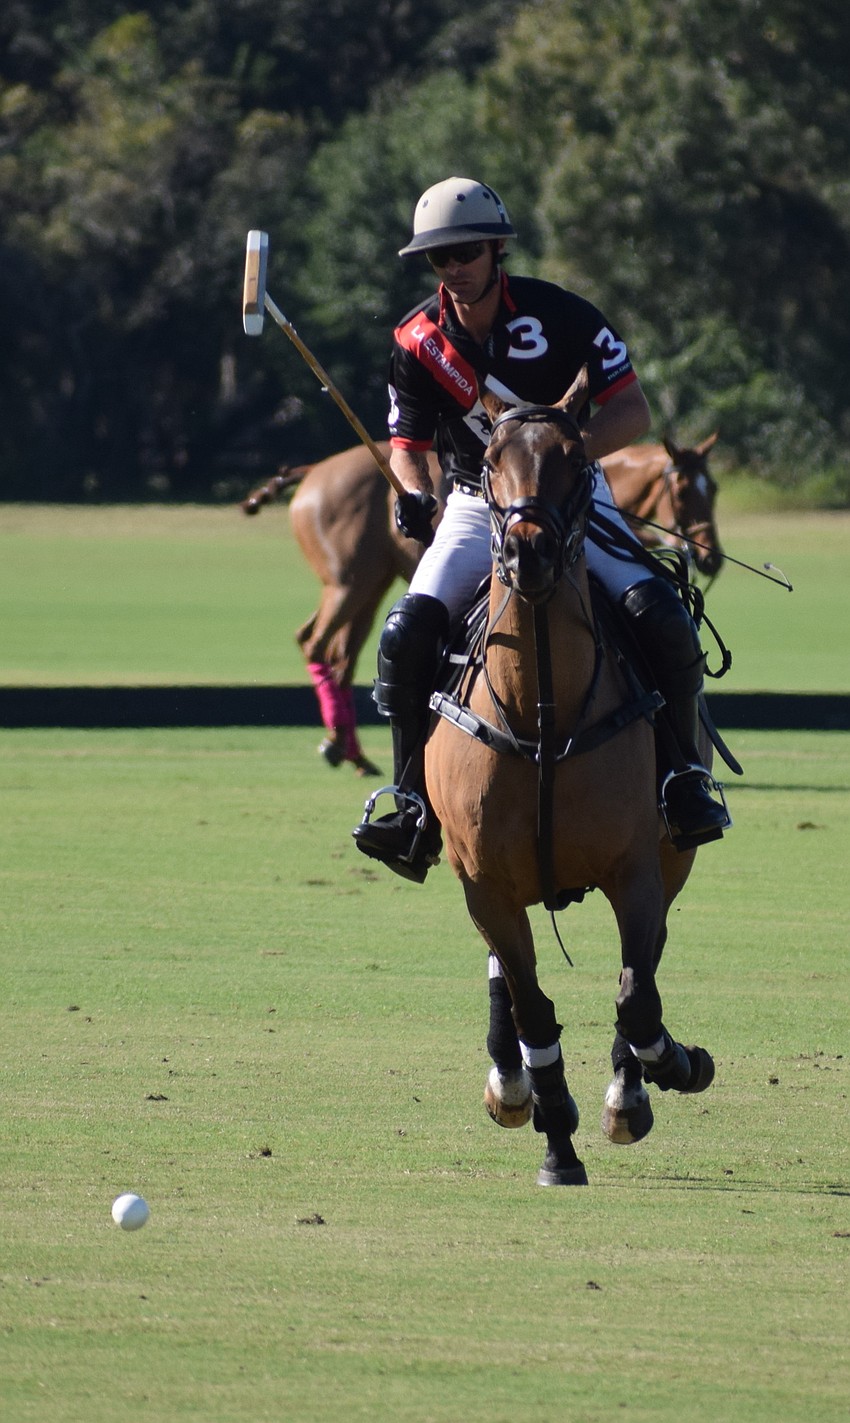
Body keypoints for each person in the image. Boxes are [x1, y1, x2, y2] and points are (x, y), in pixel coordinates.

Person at [352, 176, 729, 882]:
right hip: (472, 502)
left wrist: (560, 458)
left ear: (497, 249)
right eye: (439, 259)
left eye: (465, 252)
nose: (454, 268)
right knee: (405, 632)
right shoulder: (418, 340)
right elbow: (406, 443)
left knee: (661, 612)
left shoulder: (565, 317)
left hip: (573, 493)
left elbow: (632, 411)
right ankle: (409, 801)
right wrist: (411, 491)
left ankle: (681, 780)